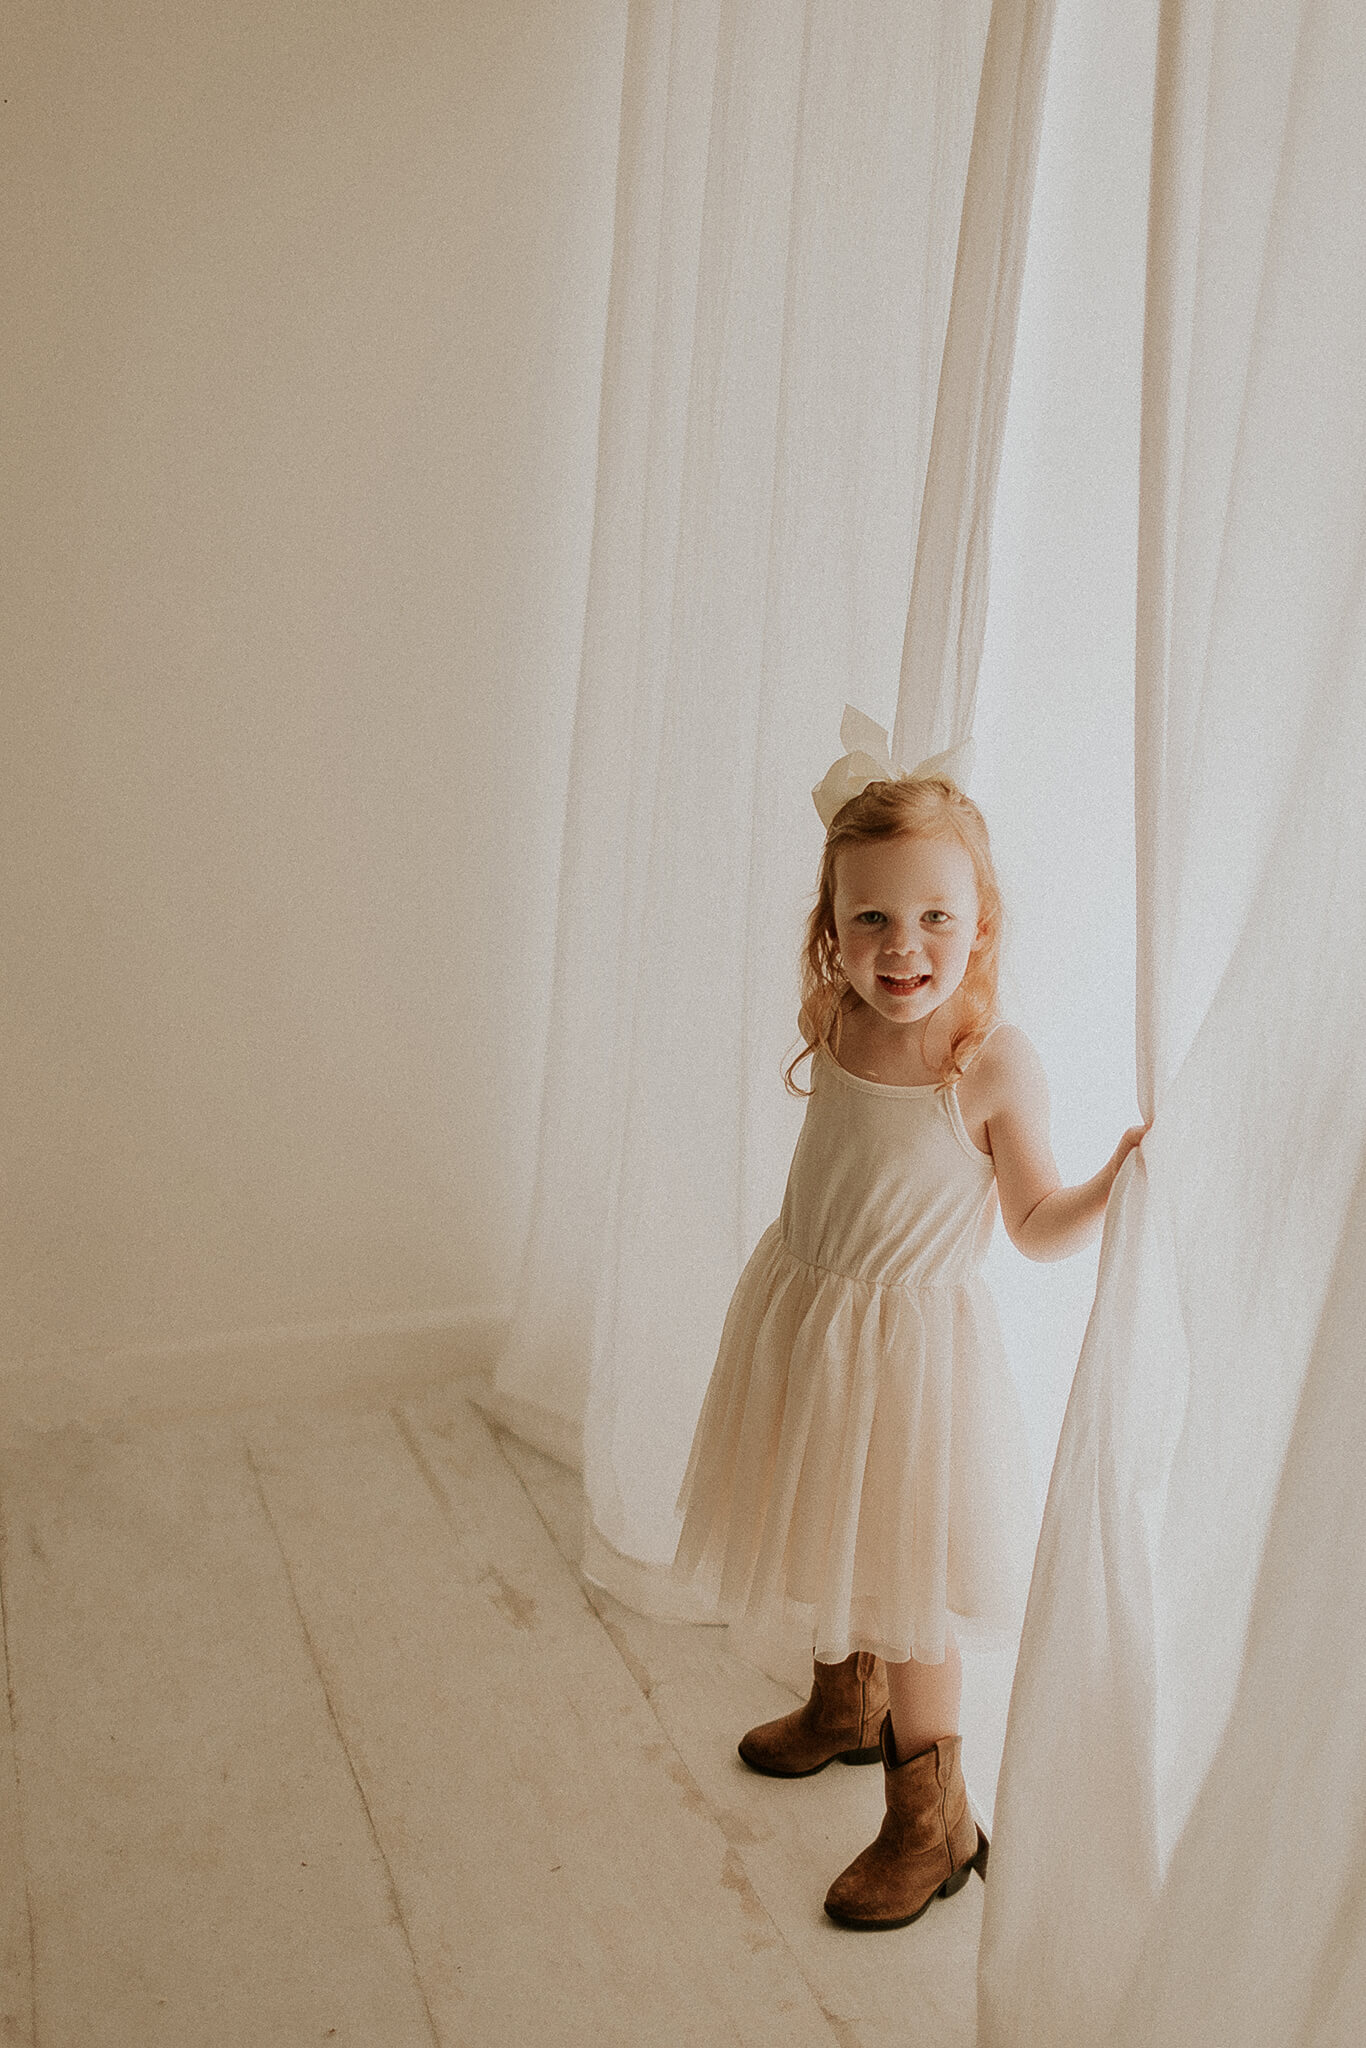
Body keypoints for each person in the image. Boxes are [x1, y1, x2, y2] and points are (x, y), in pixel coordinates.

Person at [671, 708, 1147, 1932]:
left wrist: (1113, 1183)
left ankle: (930, 1819)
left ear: (980, 924)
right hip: (808, 1315)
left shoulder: (984, 1062)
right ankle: (844, 1698)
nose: (902, 946)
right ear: (828, 931)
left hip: (912, 1361)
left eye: (935, 916)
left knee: (913, 1578)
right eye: (870, 917)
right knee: (820, 1514)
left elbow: (1032, 1221)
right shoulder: (833, 1023)